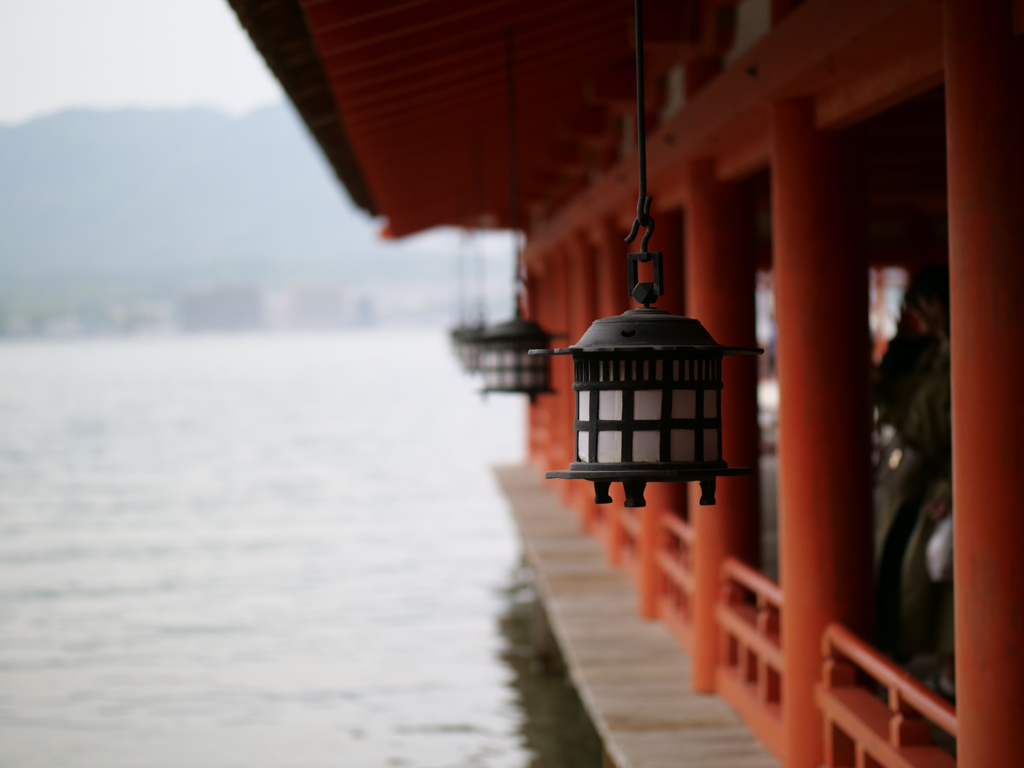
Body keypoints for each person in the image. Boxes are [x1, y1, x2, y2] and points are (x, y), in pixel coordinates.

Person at [874, 266, 954, 698]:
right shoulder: (928, 356)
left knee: (937, 585)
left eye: (919, 306)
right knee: (900, 572)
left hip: (942, 486)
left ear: (936, 305)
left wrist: (949, 488)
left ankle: (953, 676)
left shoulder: (963, 356)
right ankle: (930, 668)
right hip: (912, 481)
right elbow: (902, 409)